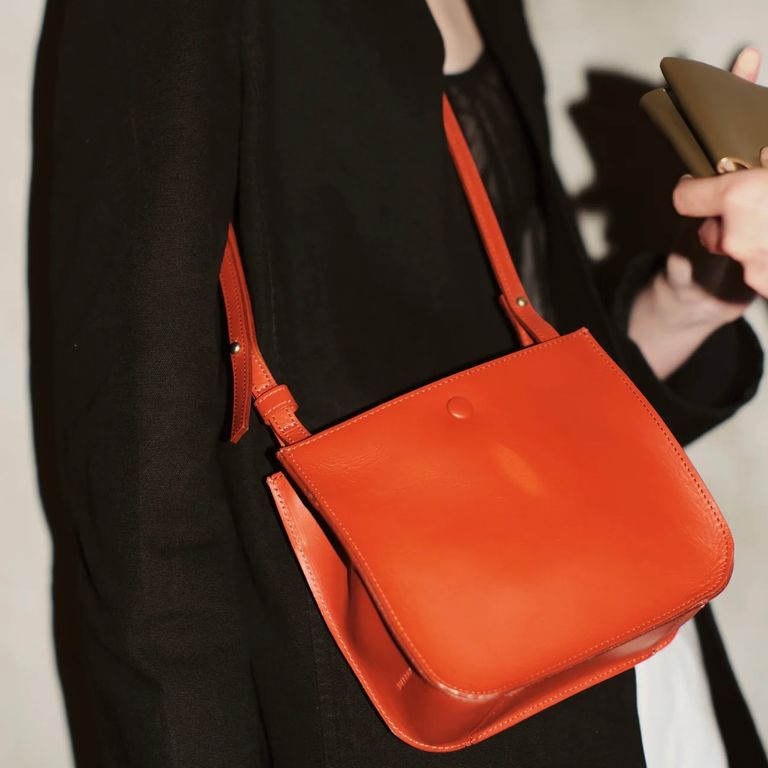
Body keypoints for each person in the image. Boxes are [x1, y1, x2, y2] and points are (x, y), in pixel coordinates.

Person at [49, 1, 767, 765]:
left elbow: (530, 361)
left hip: (629, 633)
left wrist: (688, 301)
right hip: (403, 699)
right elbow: (137, 485)